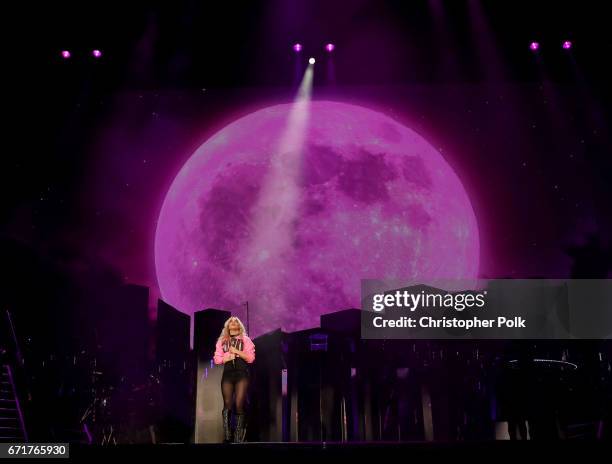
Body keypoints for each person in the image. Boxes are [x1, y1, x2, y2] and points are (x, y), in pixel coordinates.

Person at [213, 316, 255, 443]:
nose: (233, 323)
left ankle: (238, 436)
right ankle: (227, 435)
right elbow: (217, 359)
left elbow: (251, 358)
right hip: (228, 374)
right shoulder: (222, 341)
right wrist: (226, 357)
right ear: (227, 326)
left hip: (242, 374)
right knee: (227, 404)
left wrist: (237, 351)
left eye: (236, 321)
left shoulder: (245, 340)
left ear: (239, 325)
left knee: (239, 404)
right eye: (231, 322)